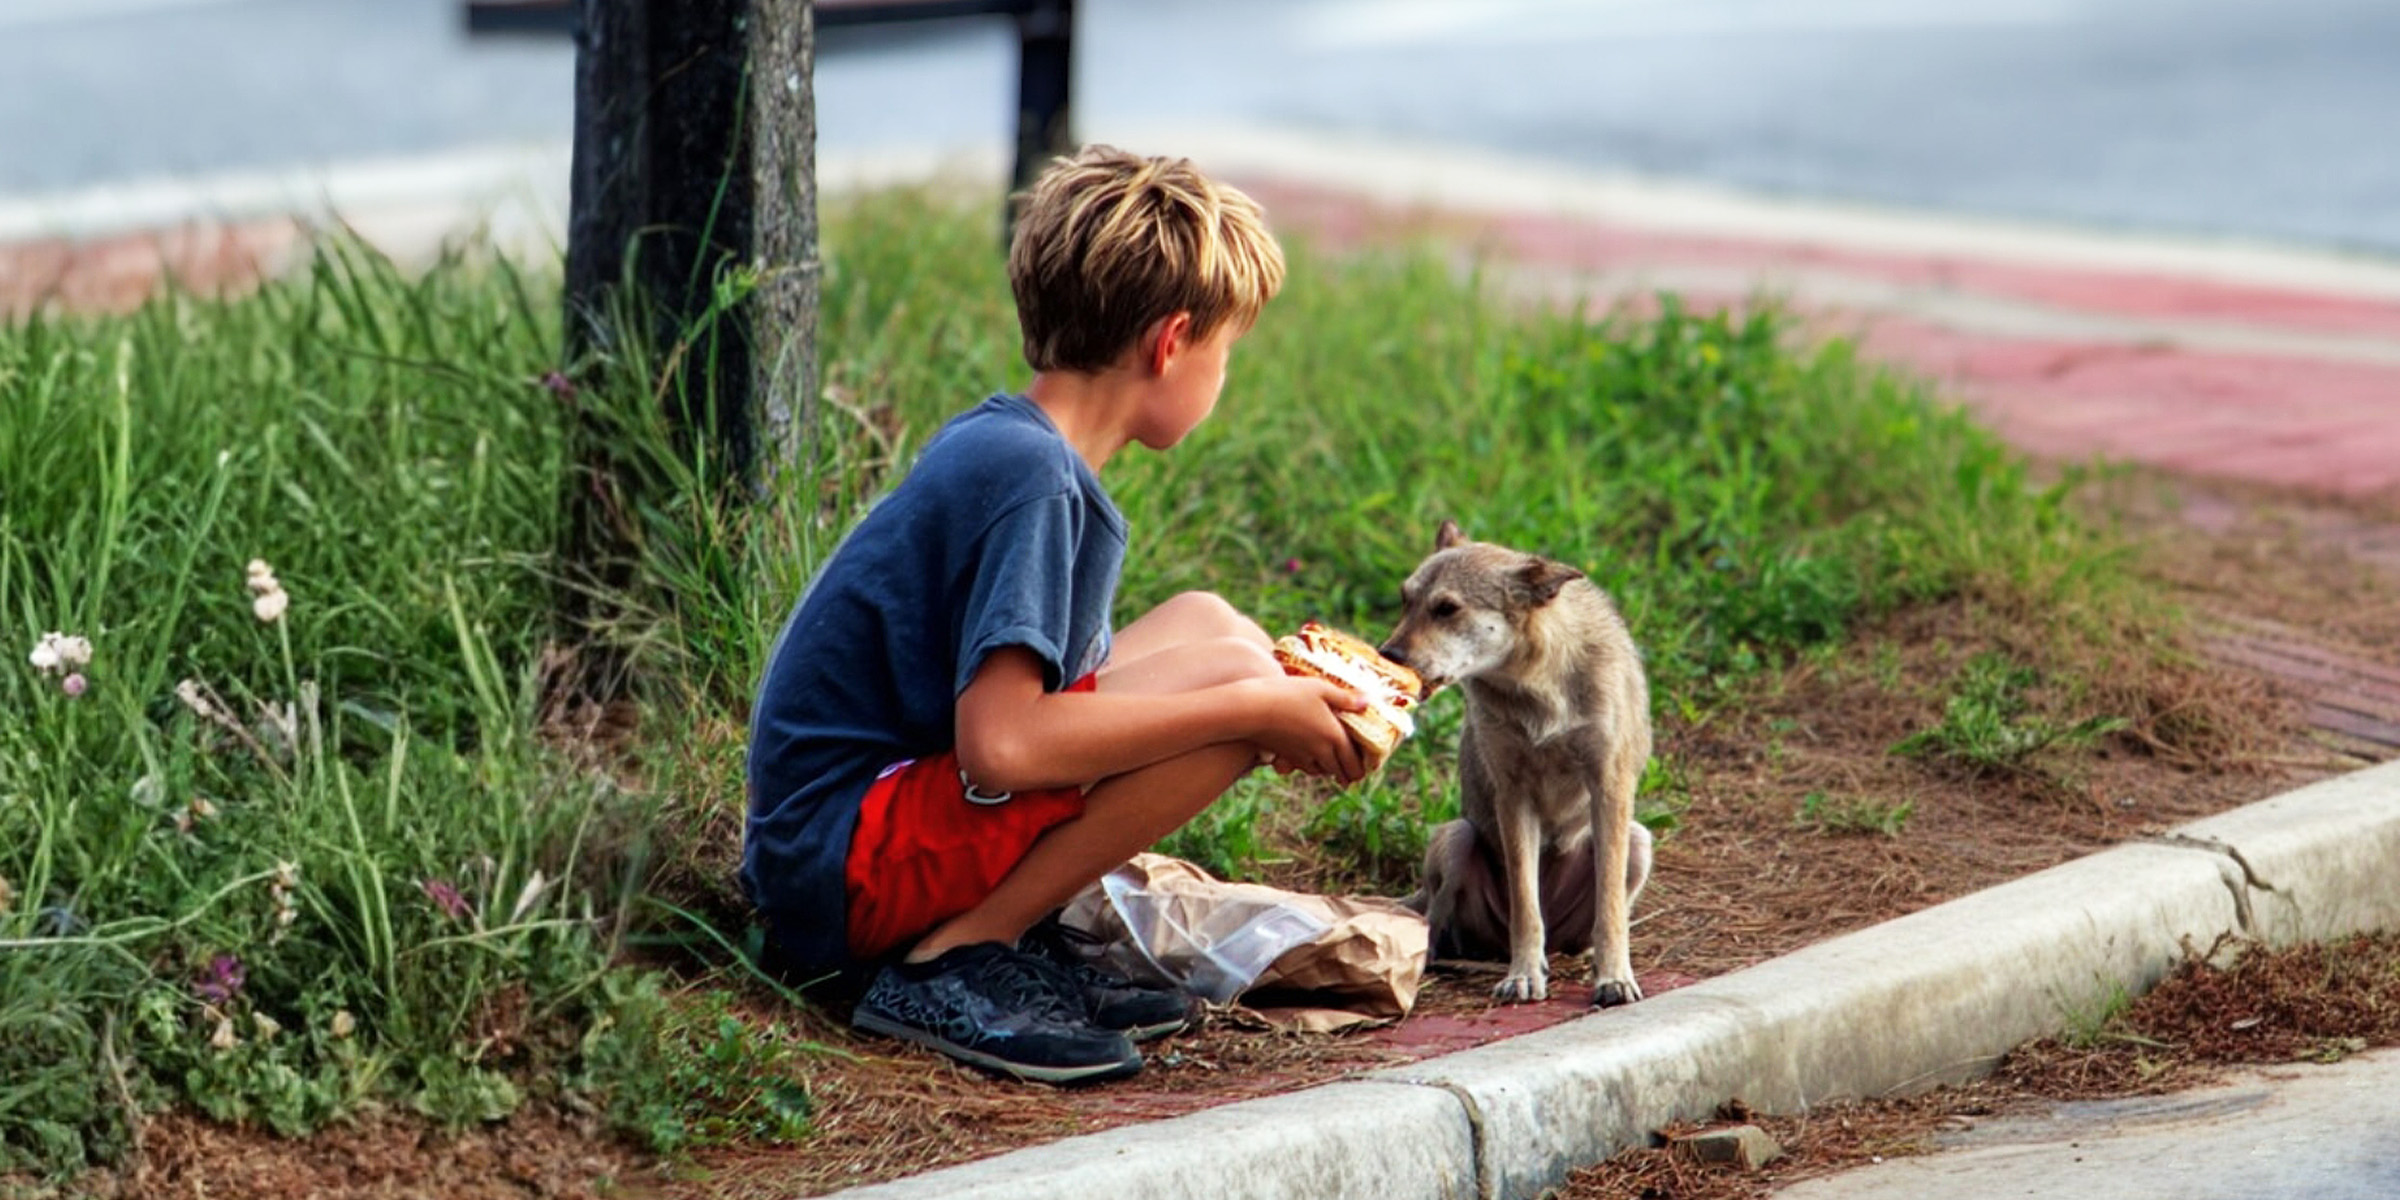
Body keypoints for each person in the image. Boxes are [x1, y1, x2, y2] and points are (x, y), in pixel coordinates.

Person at [742, 145, 1369, 1084]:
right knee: (1241, 698)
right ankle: (957, 955)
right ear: (1171, 343)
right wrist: (1254, 713)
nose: (1225, 373)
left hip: (835, 832)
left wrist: (1265, 690)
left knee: (1217, 628)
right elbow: (1001, 749)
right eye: (1226, 351)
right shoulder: (1036, 481)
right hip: (843, 869)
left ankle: (992, 930)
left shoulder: (1014, 441)